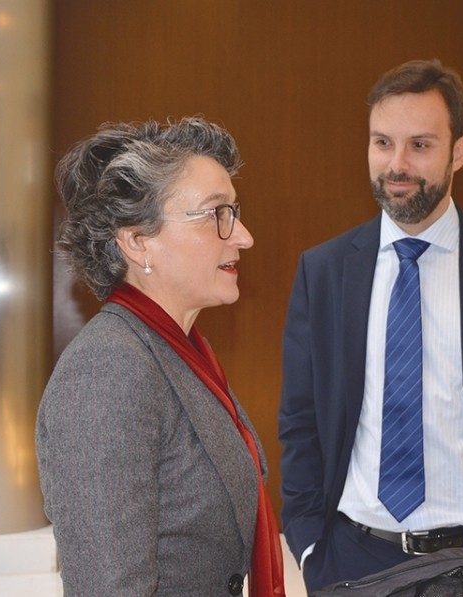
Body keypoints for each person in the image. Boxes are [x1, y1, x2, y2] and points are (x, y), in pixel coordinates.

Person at [279, 59, 463, 591]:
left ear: (458, 151)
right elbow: (301, 421)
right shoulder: (322, 272)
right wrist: (308, 548)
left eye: (420, 145)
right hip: (351, 561)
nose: (397, 164)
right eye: (382, 143)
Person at [36, 118, 284, 597]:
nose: (243, 236)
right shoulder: (107, 369)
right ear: (137, 242)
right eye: (217, 214)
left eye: (233, 211)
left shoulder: (179, 350)